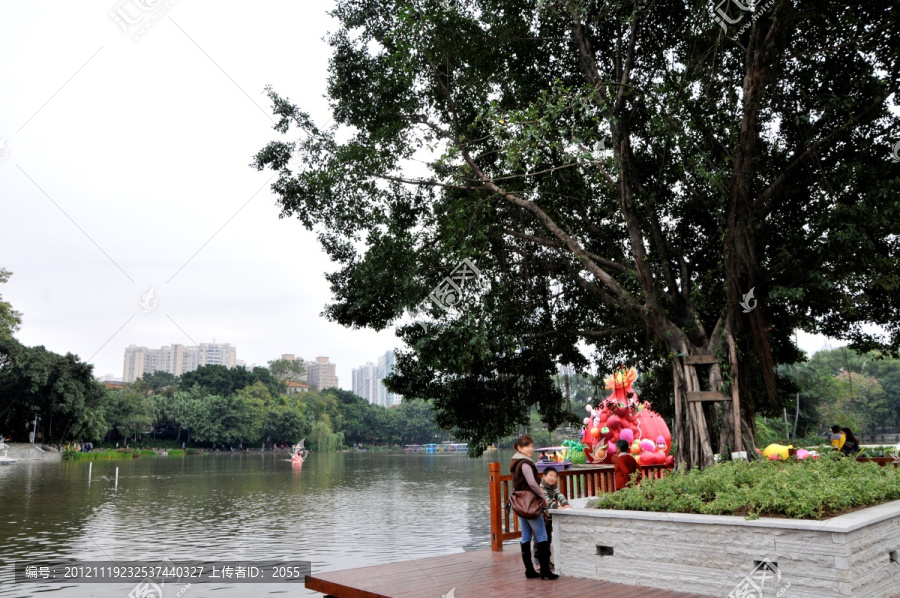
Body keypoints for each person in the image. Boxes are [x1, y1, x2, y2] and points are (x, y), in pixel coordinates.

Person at [510, 435, 558, 580]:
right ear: (519, 448)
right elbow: (532, 483)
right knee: (542, 535)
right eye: (527, 446)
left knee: (525, 536)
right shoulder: (525, 463)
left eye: (531, 446)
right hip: (530, 503)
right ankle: (545, 571)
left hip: (520, 503)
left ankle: (529, 570)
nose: (530, 449)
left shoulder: (515, 462)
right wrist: (543, 498)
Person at [531, 468, 572, 572]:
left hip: (548, 518)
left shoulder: (554, 488)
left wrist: (565, 504)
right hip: (539, 517)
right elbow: (546, 500)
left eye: (554, 476)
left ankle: (546, 560)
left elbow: (560, 495)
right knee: (538, 540)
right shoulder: (541, 487)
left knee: (548, 539)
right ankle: (537, 561)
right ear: (544, 476)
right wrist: (557, 507)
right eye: (550, 475)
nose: (552, 478)